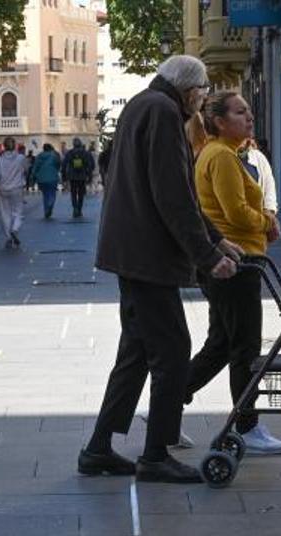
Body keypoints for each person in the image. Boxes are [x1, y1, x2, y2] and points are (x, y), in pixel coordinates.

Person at [81, 55, 242, 484]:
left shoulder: (142, 103)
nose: (204, 99)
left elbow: (177, 190)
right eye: (204, 91)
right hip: (146, 257)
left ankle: (97, 449)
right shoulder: (164, 112)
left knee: (135, 353)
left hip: (132, 253)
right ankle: (156, 454)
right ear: (190, 91)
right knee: (172, 351)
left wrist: (213, 237)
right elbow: (172, 195)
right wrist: (209, 258)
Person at [185, 92, 281, 455]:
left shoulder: (215, 154)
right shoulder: (223, 157)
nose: (249, 118)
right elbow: (236, 212)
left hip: (230, 261)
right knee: (244, 347)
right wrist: (268, 221)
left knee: (220, 344)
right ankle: (247, 426)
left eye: (248, 111)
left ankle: (168, 402)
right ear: (219, 121)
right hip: (237, 262)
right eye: (240, 112)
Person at [0, 136, 28, 249]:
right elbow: (26, 169)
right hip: (17, 189)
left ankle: (8, 237)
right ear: (15, 146)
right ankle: (15, 229)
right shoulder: (20, 158)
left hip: (3, 190)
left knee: (5, 213)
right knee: (18, 212)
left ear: (4, 146)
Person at [62, 137, 95, 218]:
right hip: (82, 176)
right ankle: (79, 209)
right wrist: (89, 175)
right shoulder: (85, 153)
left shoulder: (70, 153)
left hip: (72, 176)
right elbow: (91, 165)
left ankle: (75, 208)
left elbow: (64, 164)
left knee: (73, 193)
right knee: (81, 194)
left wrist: (64, 176)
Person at [31, 143, 62, 219]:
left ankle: (46, 211)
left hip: (41, 178)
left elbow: (35, 167)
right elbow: (58, 164)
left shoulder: (39, 156)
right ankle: (50, 204)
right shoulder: (54, 156)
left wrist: (33, 176)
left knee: (45, 195)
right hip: (52, 177)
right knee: (52, 193)